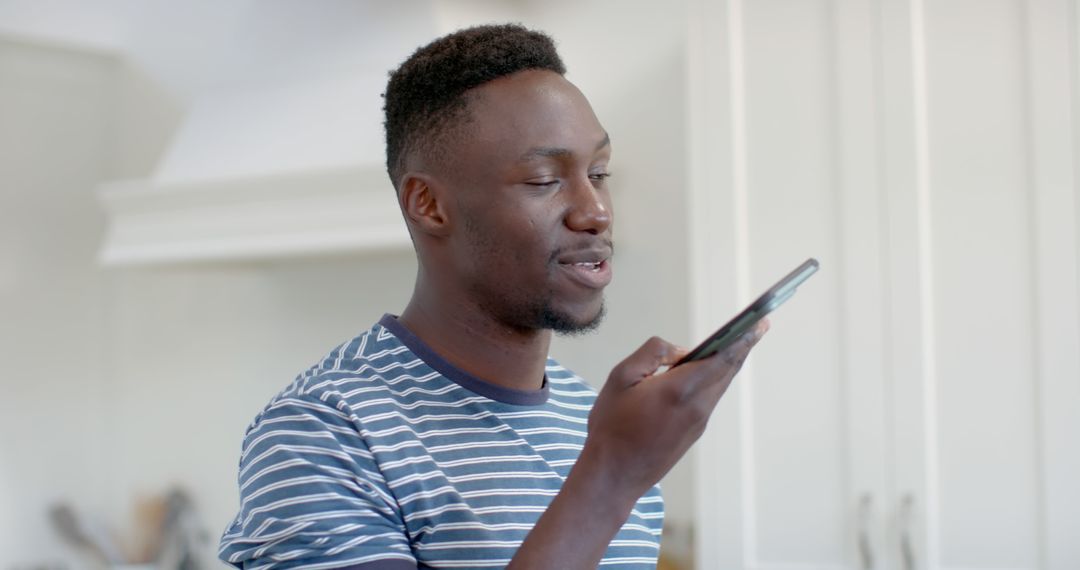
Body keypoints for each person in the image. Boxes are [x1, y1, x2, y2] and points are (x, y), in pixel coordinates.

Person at [218, 23, 767, 569]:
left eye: (598, 172)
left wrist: (615, 463)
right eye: (543, 180)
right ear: (429, 205)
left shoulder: (594, 418)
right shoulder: (323, 432)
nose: (595, 210)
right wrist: (611, 475)